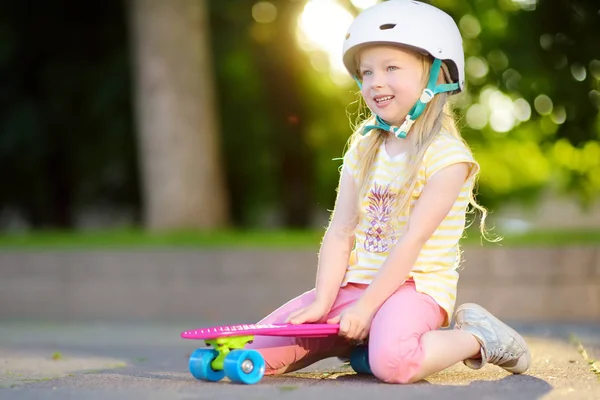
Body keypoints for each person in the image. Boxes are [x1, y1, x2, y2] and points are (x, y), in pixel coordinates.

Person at [246, 0, 531, 383]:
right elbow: (340, 231)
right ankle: (358, 344)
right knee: (257, 353)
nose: (374, 81)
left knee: (394, 364)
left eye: (391, 67)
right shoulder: (364, 147)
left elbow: (411, 242)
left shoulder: (448, 158)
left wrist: (365, 308)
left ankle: (477, 337)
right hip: (355, 284)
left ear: (436, 74)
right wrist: (323, 300)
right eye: (366, 72)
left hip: (415, 288)